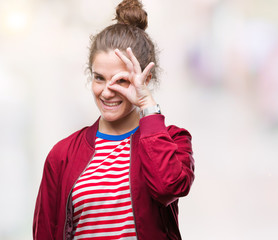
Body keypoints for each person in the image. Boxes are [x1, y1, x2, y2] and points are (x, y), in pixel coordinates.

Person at [32, 0, 195, 239]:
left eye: (121, 80)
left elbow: (167, 187)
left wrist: (147, 106)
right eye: (99, 78)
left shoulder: (173, 140)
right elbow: (45, 232)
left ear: (145, 80)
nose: (107, 91)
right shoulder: (62, 154)